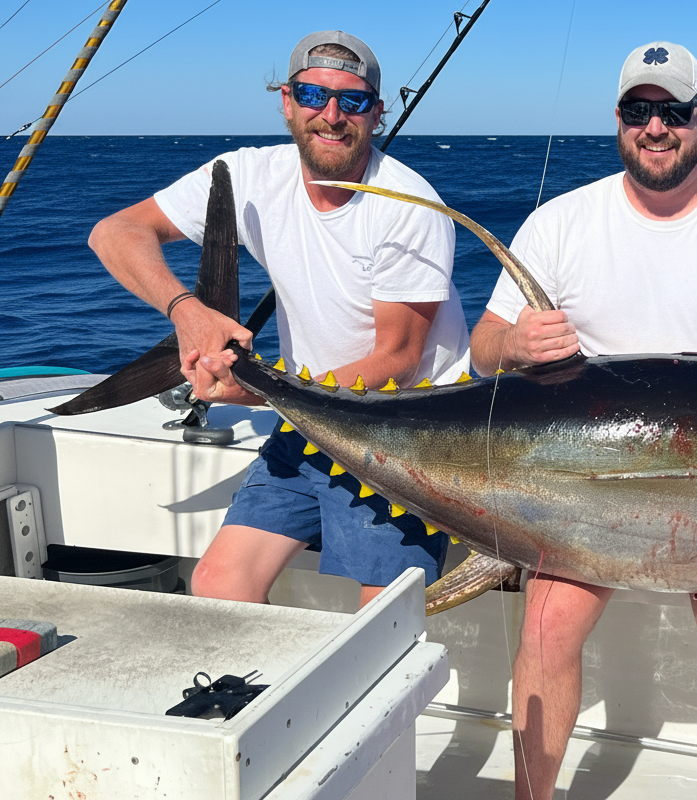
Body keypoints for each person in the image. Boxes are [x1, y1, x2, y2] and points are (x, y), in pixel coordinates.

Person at [470, 41, 697, 800]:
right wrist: (512, 343)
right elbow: (480, 354)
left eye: (674, 111)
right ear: (618, 119)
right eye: (640, 111)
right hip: (586, 481)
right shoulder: (561, 221)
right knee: (545, 629)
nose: (656, 127)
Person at [88, 31, 469, 608]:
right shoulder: (245, 175)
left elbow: (398, 359)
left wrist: (265, 392)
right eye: (313, 95)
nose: (333, 115)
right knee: (218, 585)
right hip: (308, 419)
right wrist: (186, 311)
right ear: (286, 101)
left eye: (354, 101)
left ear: (377, 112)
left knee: (384, 613)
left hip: (402, 431)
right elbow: (115, 232)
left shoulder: (410, 204)